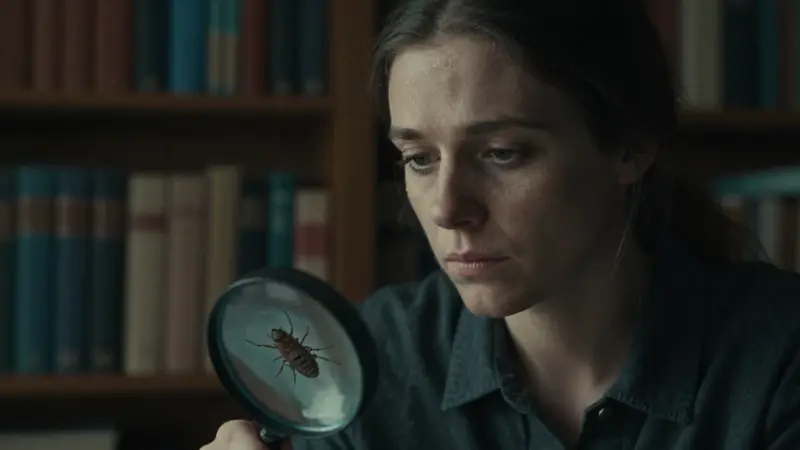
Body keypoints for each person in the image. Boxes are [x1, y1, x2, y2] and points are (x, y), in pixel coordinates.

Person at [202, 0, 800, 449]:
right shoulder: (372, 363)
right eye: (420, 159)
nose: (446, 209)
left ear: (630, 148)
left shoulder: (777, 361)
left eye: (503, 153)